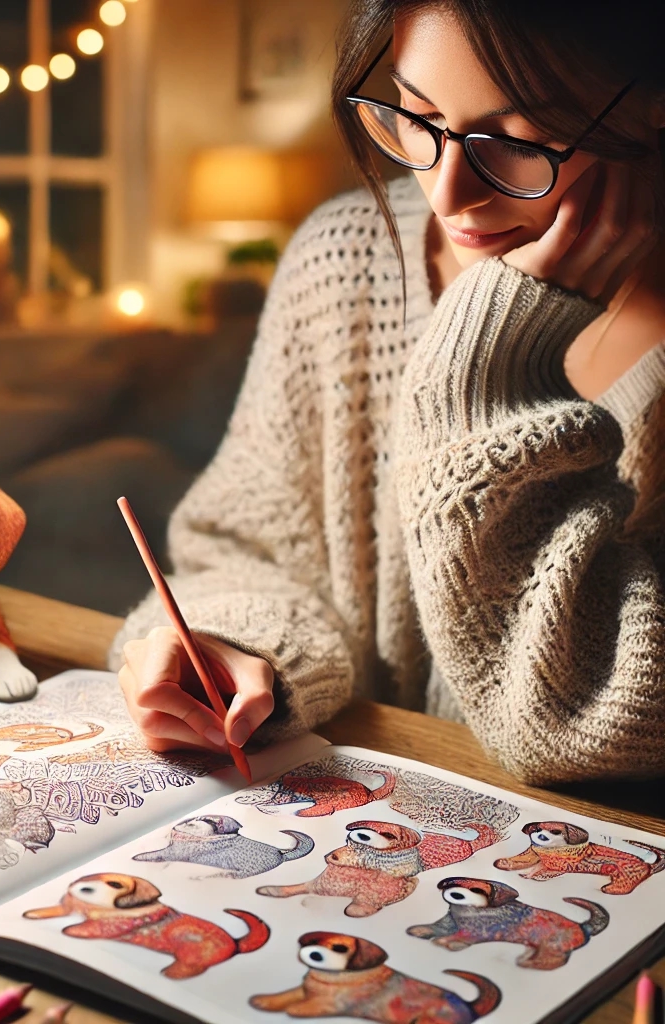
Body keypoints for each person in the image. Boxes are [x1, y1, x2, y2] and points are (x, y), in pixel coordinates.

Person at [111, 0, 665, 785]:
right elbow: (249, 546)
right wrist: (234, 641)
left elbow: (588, 724)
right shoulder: (347, 259)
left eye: (514, 141)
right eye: (417, 116)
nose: (448, 193)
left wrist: (485, 368)